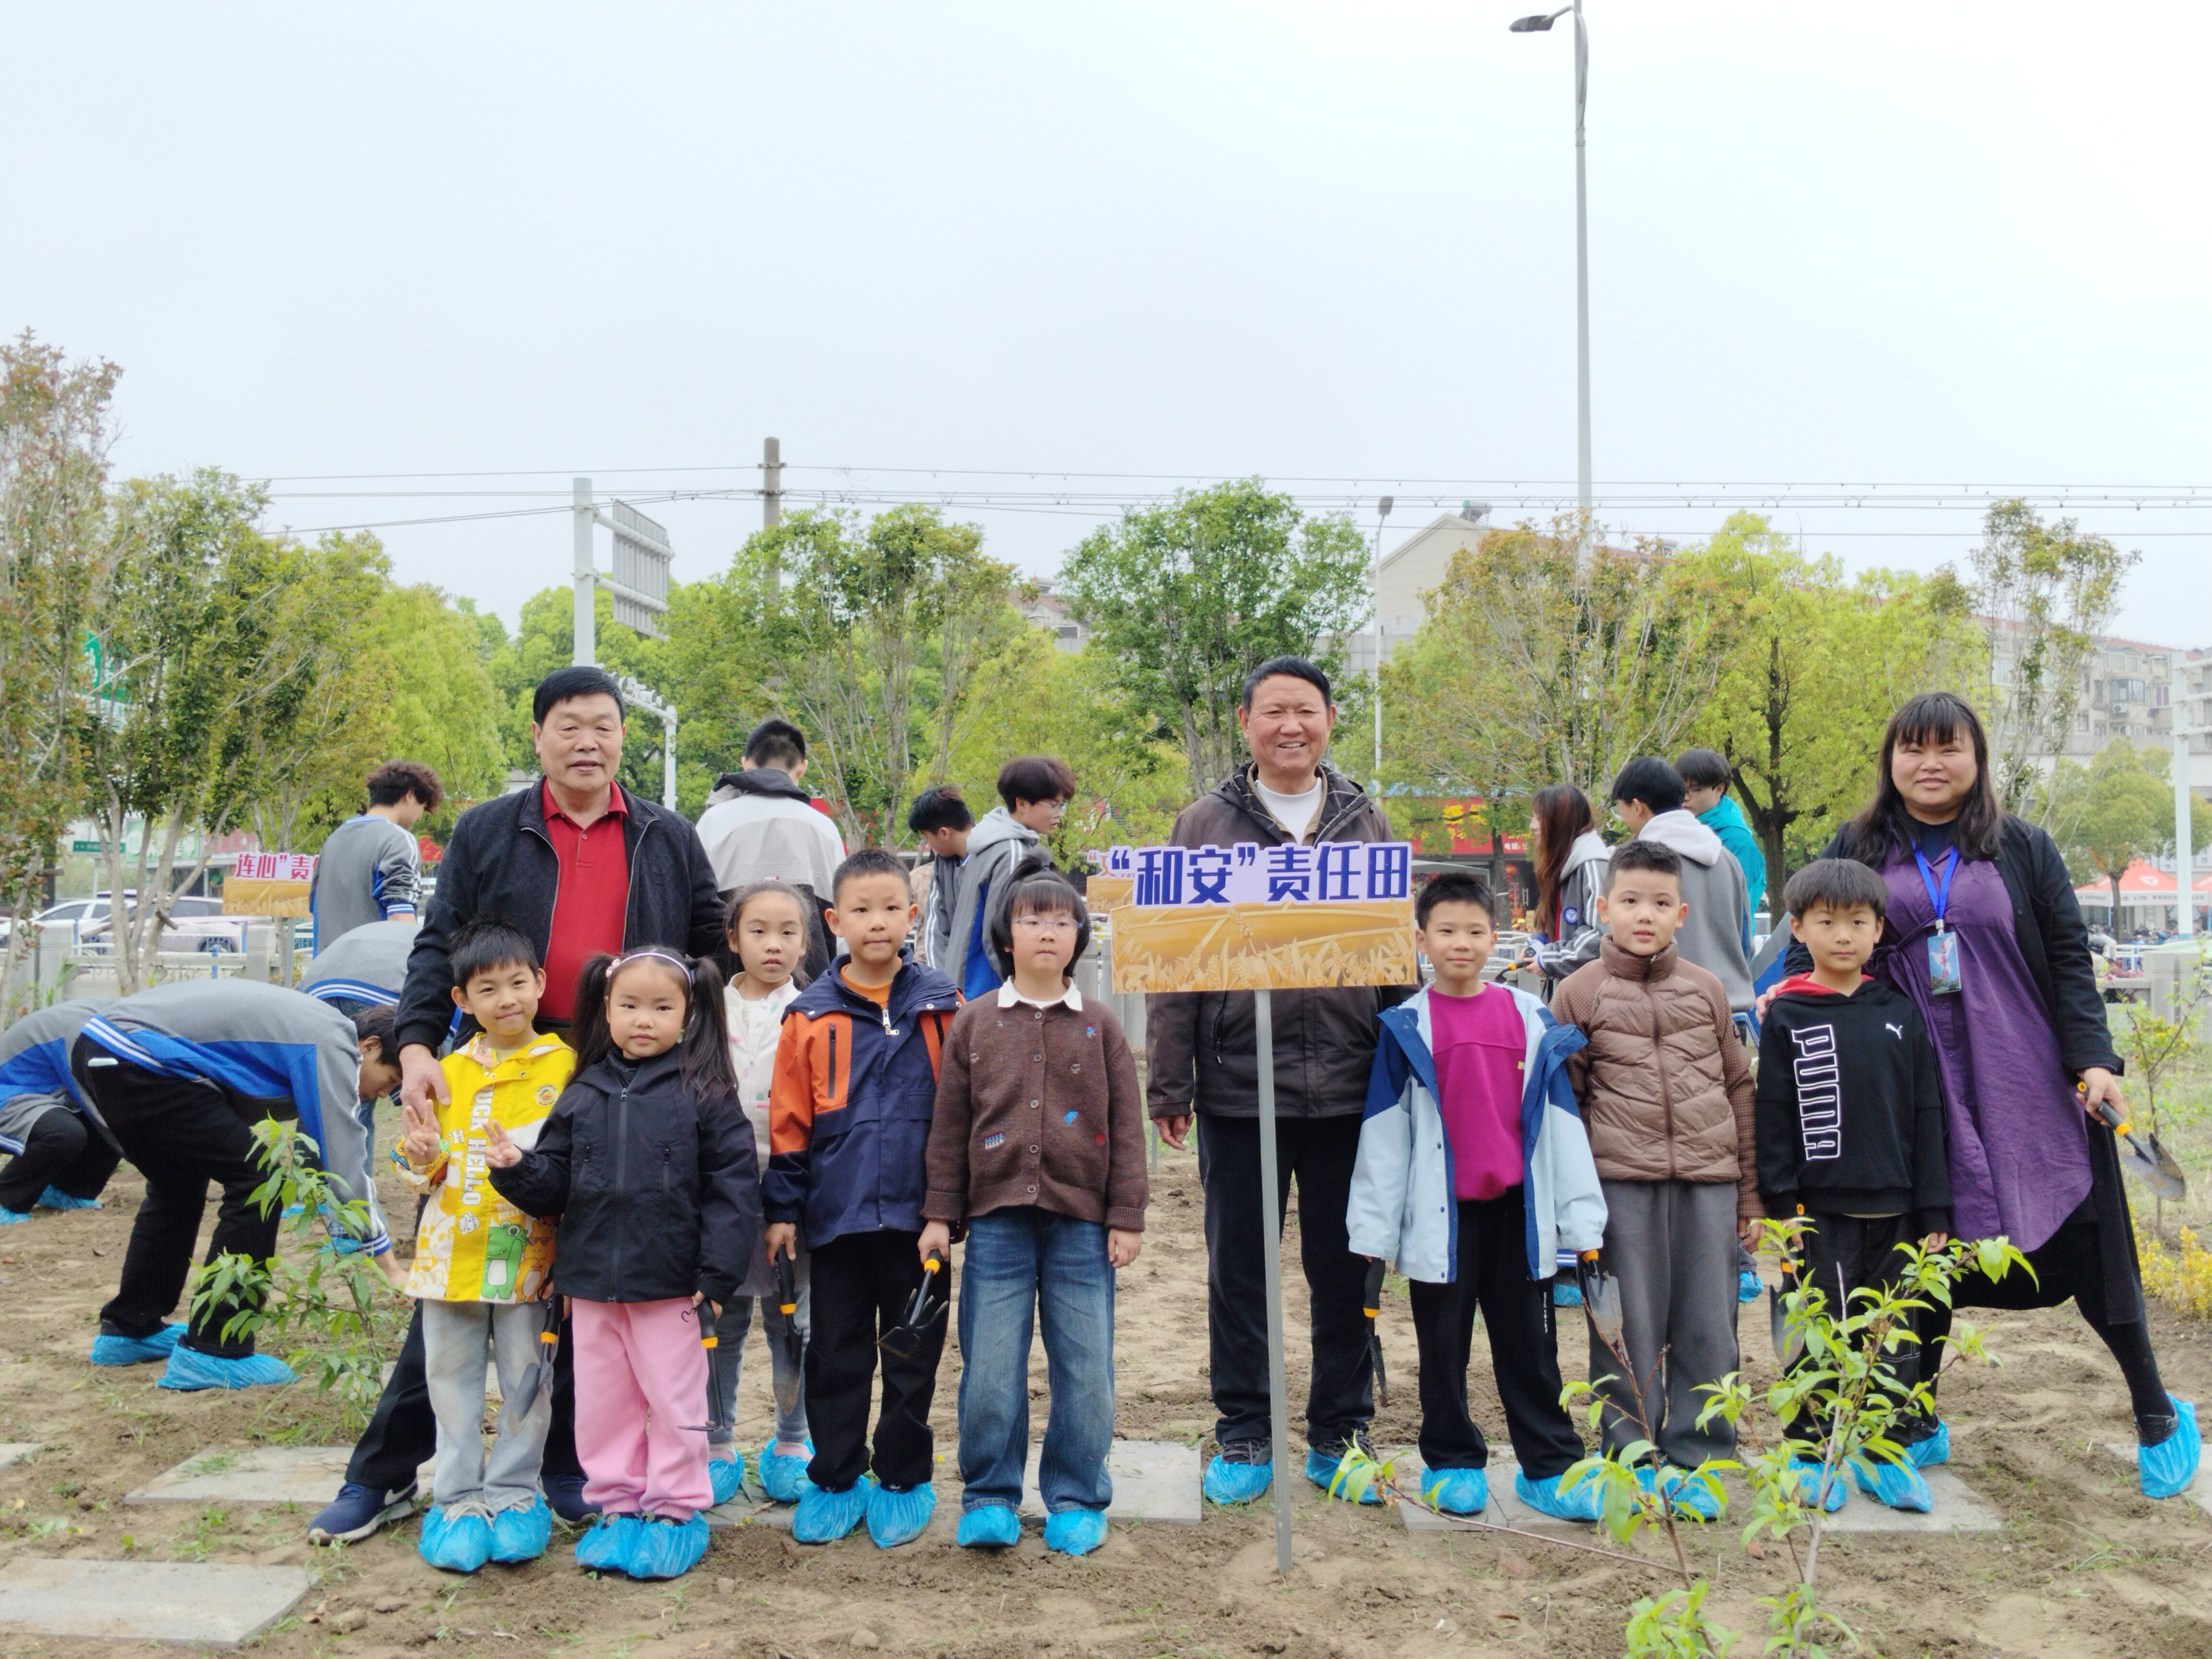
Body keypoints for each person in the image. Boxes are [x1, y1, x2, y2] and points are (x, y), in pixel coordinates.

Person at [311, 665, 726, 1545]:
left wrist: (682, 1062)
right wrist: (418, 1046)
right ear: (537, 736)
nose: (588, 742)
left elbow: (706, 955)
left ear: (624, 736)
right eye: (569, 726)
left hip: (617, 1079)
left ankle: (567, 1467)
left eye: (604, 725)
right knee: (462, 1267)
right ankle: (382, 1473)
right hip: (500, 1071)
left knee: (588, 1274)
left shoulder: (667, 836)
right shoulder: (490, 830)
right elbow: (438, 945)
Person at [1770, 690, 2200, 1500]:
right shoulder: (1858, 844)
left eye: (1949, 748)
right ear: (1890, 760)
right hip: (1909, 1082)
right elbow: (1811, 936)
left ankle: (2155, 1409)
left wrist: (2094, 1059)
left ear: (1977, 758)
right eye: (1913, 749)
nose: (1930, 764)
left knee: (2085, 1236)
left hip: (2022, 1075)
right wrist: (1788, 996)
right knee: (1925, 1237)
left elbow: (2068, 957)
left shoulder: (2021, 847)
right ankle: (1915, 1416)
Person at [1146, 656, 1413, 1505]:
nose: (1290, 726)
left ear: (1329, 718)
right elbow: (1173, 962)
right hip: (1239, 1087)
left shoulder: (1365, 818)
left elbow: (1393, 958)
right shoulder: (1202, 825)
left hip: (1350, 1087)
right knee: (1240, 1271)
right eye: (1273, 712)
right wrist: (1170, 1082)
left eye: (1305, 710)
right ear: (1246, 722)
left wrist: (1408, 1070)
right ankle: (1244, 1431)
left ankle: (1340, 1432)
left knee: (1349, 1267)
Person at [486, 946, 757, 1582]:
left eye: (661, 1007)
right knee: (603, 1403)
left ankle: (675, 1511)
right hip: (591, 1288)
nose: (644, 1019)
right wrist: (517, 1169)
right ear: (605, 1009)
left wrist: (716, 1276)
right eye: (630, 1005)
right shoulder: (584, 1092)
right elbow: (555, 1183)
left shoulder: (706, 1093)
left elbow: (734, 1189)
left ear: (688, 1013)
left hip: (673, 1288)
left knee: (674, 1399)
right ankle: (618, 1506)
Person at [1346, 872, 1607, 1522]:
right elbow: (1385, 1137)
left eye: (1474, 931)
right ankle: (1452, 1462)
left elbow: (1561, 1126)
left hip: (1517, 1215)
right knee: (1442, 1348)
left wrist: (1582, 1220)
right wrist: (1373, 1233)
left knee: (1532, 1350)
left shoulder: (1529, 1017)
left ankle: (1549, 1466)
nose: (1460, 944)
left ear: (1495, 938)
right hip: (1443, 1221)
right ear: (1421, 940)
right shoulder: (1406, 1026)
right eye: (1446, 932)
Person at [921, 857, 1147, 1557]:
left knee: (1086, 1366)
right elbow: (950, 1125)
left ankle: (1076, 1496)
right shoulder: (975, 1022)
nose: (1048, 931)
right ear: (1006, 935)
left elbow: (1129, 1127)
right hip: (996, 1224)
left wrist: (1126, 1215)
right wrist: (940, 1214)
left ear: (1079, 936)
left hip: (1083, 1225)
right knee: (990, 1367)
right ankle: (990, 1494)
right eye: (1032, 920)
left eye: (1061, 920)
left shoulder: (1100, 1025)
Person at [1550, 841, 1759, 1517]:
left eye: (1661, 903)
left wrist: (1749, 1193)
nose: (1646, 915)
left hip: (1708, 1183)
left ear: (1681, 914)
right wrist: (1573, 1204)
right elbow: (1565, 1104)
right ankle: (1632, 1457)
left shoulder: (1707, 989)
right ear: (1604, 907)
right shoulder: (1577, 993)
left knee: (1709, 1328)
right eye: (1631, 901)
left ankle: (1701, 1458)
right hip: (1620, 1187)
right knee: (1625, 1330)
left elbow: (1738, 1087)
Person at [766, 849, 960, 1549]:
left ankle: (904, 1478)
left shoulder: (943, 1007)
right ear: (834, 922)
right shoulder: (809, 1016)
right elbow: (789, 1122)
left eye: (889, 909)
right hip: (836, 1220)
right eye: (861, 910)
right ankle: (836, 1477)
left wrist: (946, 1211)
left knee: (913, 1353)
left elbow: (961, 1115)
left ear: (912, 915)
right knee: (836, 1354)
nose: (876, 922)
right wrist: (783, 1211)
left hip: (918, 1222)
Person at [75, 980, 406, 1388]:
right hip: (139, 1056)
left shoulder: (314, 1029)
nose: (385, 1093)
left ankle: (130, 1327)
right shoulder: (335, 1042)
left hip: (103, 1048)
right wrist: (390, 1267)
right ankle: (215, 1349)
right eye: (391, 1078)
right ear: (369, 1047)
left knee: (177, 1184)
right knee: (260, 1182)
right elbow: (344, 1156)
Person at [1754, 858, 1949, 1515]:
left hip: (1896, 1209)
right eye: (1827, 922)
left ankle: (1884, 1454)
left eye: (1858, 922)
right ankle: (1809, 1453)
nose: (1843, 935)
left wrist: (1934, 1207)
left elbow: (1926, 1112)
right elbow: (1774, 1116)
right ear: (1798, 928)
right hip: (1818, 1214)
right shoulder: (1787, 1016)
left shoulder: (1900, 1012)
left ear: (1878, 929)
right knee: (1816, 1330)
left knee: (1894, 1337)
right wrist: (1782, 1206)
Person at [393, 919, 573, 1573]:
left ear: (541, 984)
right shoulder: (446, 1072)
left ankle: (516, 1495)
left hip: (528, 1262)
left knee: (528, 1380)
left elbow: (575, 1167)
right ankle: (457, 1501)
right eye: (487, 989)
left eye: (517, 983)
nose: (506, 1000)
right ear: (462, 1000)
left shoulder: (567, 1067)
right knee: (450, 1381)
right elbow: (420, 1168)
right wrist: (422, 1154)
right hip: (451, 1263)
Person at [1613, 756, 1764, 1305]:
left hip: (1668, 1015)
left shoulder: (1641, 861)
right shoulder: (1728, 858)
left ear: (1637, 806)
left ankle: (1669, 1272)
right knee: (1721, 1140)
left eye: (1622, 810)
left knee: (1665, 1148)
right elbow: (1745, 936)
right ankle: (1737, 1262)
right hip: (1732, 1011)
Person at [708, 880, 815, 1506]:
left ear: (805, 943)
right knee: (721, 1317)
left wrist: (794, 1197)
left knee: (790, 1317)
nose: (773, 944)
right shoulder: (706, 1009)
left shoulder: (814, 1012)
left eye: (787, 932)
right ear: (733, 938)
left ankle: (792, 1440)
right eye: (758, 931)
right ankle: (716, 1442)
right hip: (721, 1191)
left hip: (791, 1191)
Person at [695, 718, 847, 977]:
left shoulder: (713, 822)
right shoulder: (824, 828)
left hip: (728, 987)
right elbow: (842, 927)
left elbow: (696, 914)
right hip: (814, 989)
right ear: (802, 768)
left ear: (746, 764)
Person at [942, 756, 1075, 1001]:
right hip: (987, 989)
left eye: (1061, 805)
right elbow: (1001, 930)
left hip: (965, 984)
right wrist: (1018, 990)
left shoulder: (989, 842)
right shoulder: (1013, 852)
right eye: (1053, 805)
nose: (1059, 814)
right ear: (1021, 803)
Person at [0, 1000, 119, 1222]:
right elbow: (88, 1092)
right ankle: (5, 1199)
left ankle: (67, 1189)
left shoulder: (114, 1019)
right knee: (65, 1133)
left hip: (45, 1095)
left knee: (116, 1115)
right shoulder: (83, 1033)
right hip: (9, 1093)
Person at [310, 760, 443, 951]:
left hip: (324, 964)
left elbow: (316, 908)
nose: (420, 817)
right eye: (423, 806)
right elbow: (400, 918)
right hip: (373, 965)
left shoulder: (333, 840)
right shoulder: (399, 840)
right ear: (410, 795)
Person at [1676, 749, 1768, 942]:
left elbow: (1733, 908)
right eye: (1680, 788)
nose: (1685, 796)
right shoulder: (1675, 828)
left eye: (1695, 788)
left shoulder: (1738, 843)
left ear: (1719, 789)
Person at [1526, 784, 1610, 984]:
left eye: (1539, 818)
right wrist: (1540, 942)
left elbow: (1601, 935)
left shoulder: (1592, 865)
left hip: (1587, 993)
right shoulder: (1561, 865)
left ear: (1559, 822)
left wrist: (1549, 960)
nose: (1532, 826)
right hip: (1564, 989)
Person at [906, 785, 974, 971]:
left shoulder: (996, 858)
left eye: (927, 838)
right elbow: (936, 928)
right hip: (950, 975)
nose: (930, 845)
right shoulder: (943, 865)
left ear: (944, 833)